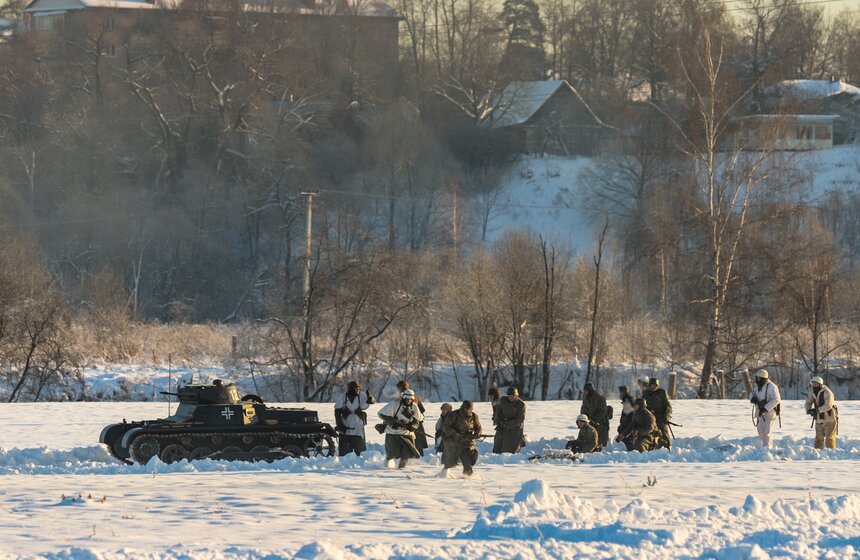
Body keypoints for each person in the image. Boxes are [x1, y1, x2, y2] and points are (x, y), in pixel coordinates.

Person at [378, 389, 424, 468]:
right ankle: (386, 469)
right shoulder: (394, 404)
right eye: (407, 399)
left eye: (410, 399)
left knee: (407, 454)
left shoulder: (414, 406)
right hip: (392, 433)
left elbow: (418, 419)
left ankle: (401, 469)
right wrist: (393, 423)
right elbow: (381, 414)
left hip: (406, 434)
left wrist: (413, 426)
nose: (408, 400)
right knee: (391, 453)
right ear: (403, 397)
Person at [441, 400, 483, 476]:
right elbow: (445, 427)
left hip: (467, 443)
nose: (467, 411)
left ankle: (468, 477)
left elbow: (479, 427)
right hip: (453, 443)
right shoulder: (454, 415)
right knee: (450, 463)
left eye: (469, 409)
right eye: (466, 409)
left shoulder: (474, 416)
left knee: (468, 462)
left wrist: (478, 433)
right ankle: (444, 474)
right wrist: (454, 433)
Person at [334, 380, 370, 456]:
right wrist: (340, 425)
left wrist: (370, 398)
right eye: (354, 388)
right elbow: (337, 411)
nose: (356, 390)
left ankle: (359, 457)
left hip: (358, 426)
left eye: (357, 388)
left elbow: (368, 403)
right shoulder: (343, 397)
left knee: (360, 452)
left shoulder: (361, 395)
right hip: (346, 426)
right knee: (344, 453)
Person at [750, 369, 781, 448]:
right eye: (757, 378)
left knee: (766, 432)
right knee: (760, 431)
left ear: (763, 378)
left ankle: (767, 449)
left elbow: (776, 399)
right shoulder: (756, 386)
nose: (757, 380)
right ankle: (769, 446)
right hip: (760, 412)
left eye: (759, 378)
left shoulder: (772, 386)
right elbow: (752, 394)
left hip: (770, 412)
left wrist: (766, 408)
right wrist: (752, 398)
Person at [805, 376, 837, 449]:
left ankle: (831, 452)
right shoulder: (812, 393)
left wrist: (817, 410)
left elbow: (828, 405)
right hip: (819, 419)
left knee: (830, 438)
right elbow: (808, 402)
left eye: (815, 383)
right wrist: (808, 410)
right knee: (818, 438)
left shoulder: (827, 392)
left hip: (829, 418)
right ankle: (817, 453)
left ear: (820, 384)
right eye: (813, 383)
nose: (814, 385)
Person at [397, 380, 428, 456]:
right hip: (416, 421)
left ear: (400, 387)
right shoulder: (413, 395)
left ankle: (415, 457)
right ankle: (419, 456)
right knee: (417, 442)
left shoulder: (403, 397)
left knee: (412, 441)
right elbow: (422, 409)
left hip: (411, 422)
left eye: (399, 388)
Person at [494, 386, 526, 453]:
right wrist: (497, 419)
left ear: (516, 396)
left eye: (513, 396)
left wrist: (507, 424)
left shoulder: (521, 405)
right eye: (509, 396)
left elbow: (520, 419)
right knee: (498, 447)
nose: (511, 397)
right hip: (502, 427)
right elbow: (498, 410)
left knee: (509, 450)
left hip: (515, 429)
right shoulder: (503, 400)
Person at [644, 377, 673, 451]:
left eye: (654, 385)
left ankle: (668, 447)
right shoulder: (645, 393)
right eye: (651, 385)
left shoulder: (662, 392)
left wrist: (666, 416)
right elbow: (642, 404)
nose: (653, 387)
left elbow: (668, 406)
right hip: (649, 416)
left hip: (660, 416)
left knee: (663, 431)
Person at [580, 382, 609, 449]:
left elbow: (602, 411)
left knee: (599, 441)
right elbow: (583, 409)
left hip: (600, 423)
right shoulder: (585, 399)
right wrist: (583, 418)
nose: (584, 392)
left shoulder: (600, 398)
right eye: (584, 391)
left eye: (586, 391)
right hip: (589, 422)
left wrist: (594, 419)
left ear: (590, 390)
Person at [616, 385, 637, 451]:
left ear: (625, 393)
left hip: (629, 426)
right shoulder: (628, 400)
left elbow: (630, 416)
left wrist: (623, 426)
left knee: (624, 434)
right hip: (630, 424)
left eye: (621, 392)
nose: (620, 394)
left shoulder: (628, 401)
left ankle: (631, 449)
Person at [488, 387, 502, 453]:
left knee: (498, 439)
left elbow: (500, 413)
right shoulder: (494, 402)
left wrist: (496, 418)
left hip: (503, 424)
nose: (490, 397)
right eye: (490, 396)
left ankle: (497, 453)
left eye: (491, 396)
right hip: (500, 423)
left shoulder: (498, 402)